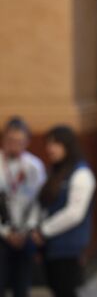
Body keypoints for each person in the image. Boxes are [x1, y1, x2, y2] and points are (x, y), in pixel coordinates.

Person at [30, 126, 96, 297]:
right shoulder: (55, 171)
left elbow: (74, 213)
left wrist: (44, 230)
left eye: (56, 143)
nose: (50, 148)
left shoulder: (81, 173)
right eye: (49, 143)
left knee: (66, 290)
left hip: (68, 247)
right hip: (51, 246)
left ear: (68, 145)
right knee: (57, 289)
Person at [0, 116, 46, 297]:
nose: (15, 145)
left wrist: (27, 230)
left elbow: (38, 201)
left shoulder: (34, 166)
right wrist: (5, 232)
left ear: (27, 141)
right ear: (4, 139)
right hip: (2, 234)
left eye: (20, 141)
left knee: (22, 285)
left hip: (24, 234)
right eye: (11, 140)